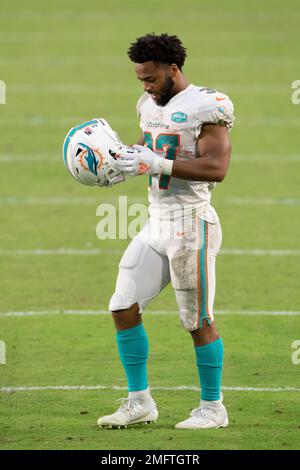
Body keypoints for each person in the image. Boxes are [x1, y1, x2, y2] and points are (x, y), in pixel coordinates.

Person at [97, 33, 234, 430]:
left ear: (173, 70)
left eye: (151, 78)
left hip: (192, 224)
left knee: (197, 320)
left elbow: (216, 169)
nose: (146, 86)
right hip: (156, 222)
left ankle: (213, 408)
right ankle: (140, 402)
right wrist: (118, 161)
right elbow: (147, 147)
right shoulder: (147, 103)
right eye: (140, 79)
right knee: (122, 306)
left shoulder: (207, 105)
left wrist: (157, 164)